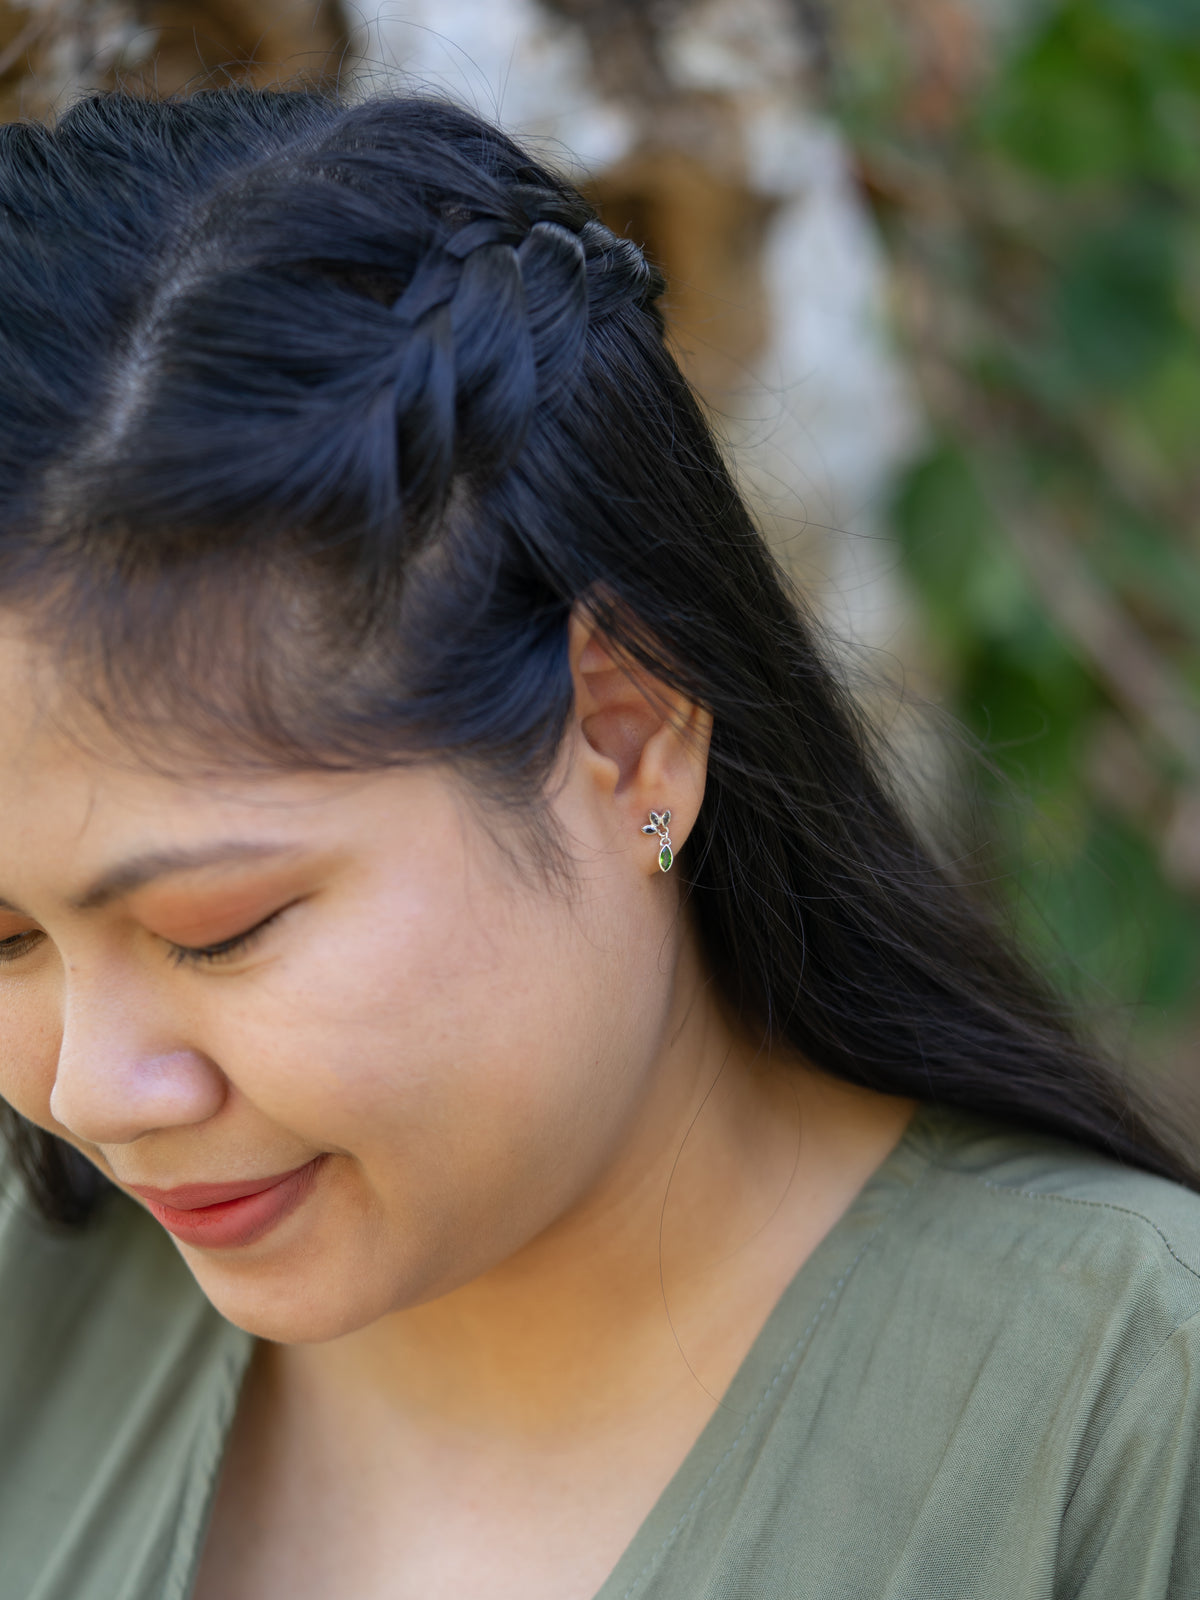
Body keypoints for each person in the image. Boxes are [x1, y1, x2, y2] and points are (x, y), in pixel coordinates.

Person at [0, 87, 1196, 1600]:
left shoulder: (1126, 1423)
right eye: (4, 941)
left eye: (218, 925)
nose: (87, 1090)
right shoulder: (39, 1299)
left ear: (625, 730)